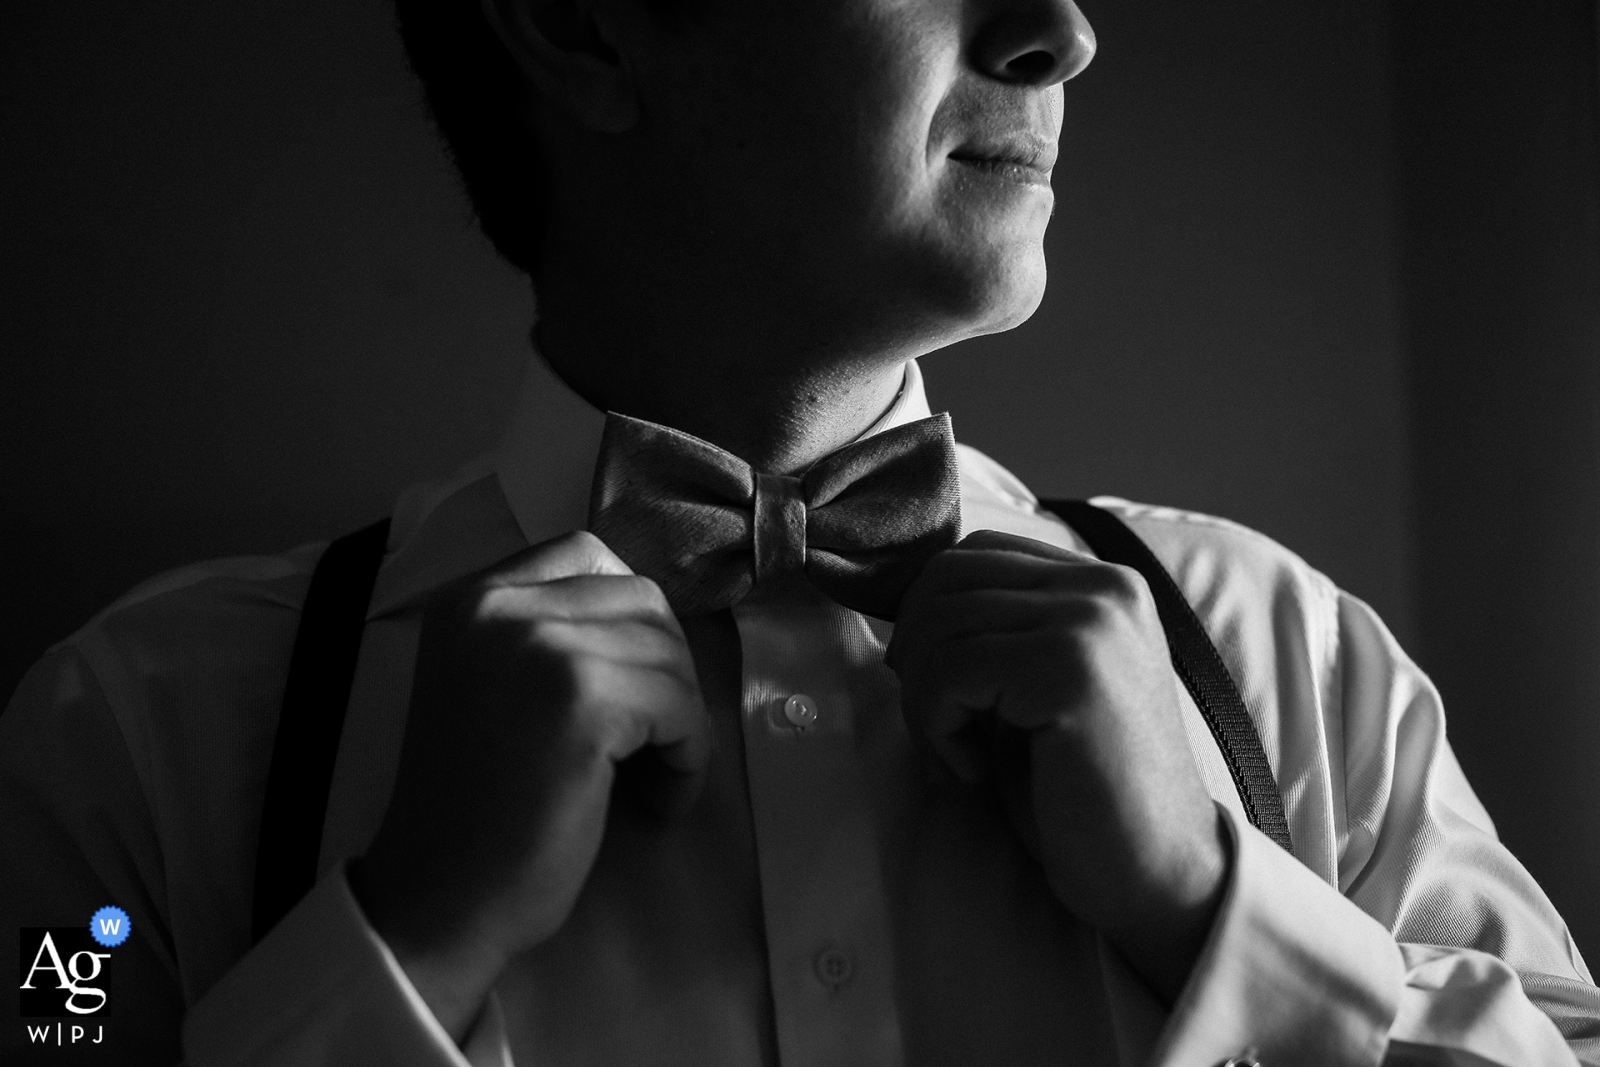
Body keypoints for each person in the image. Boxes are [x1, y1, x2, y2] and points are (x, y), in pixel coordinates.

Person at [3, 0, 1597, 1062]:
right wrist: (403, 934)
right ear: (579, 24)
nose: (1065, 31)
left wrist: (1212, 900)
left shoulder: (1276, 657)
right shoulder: (138, 737)